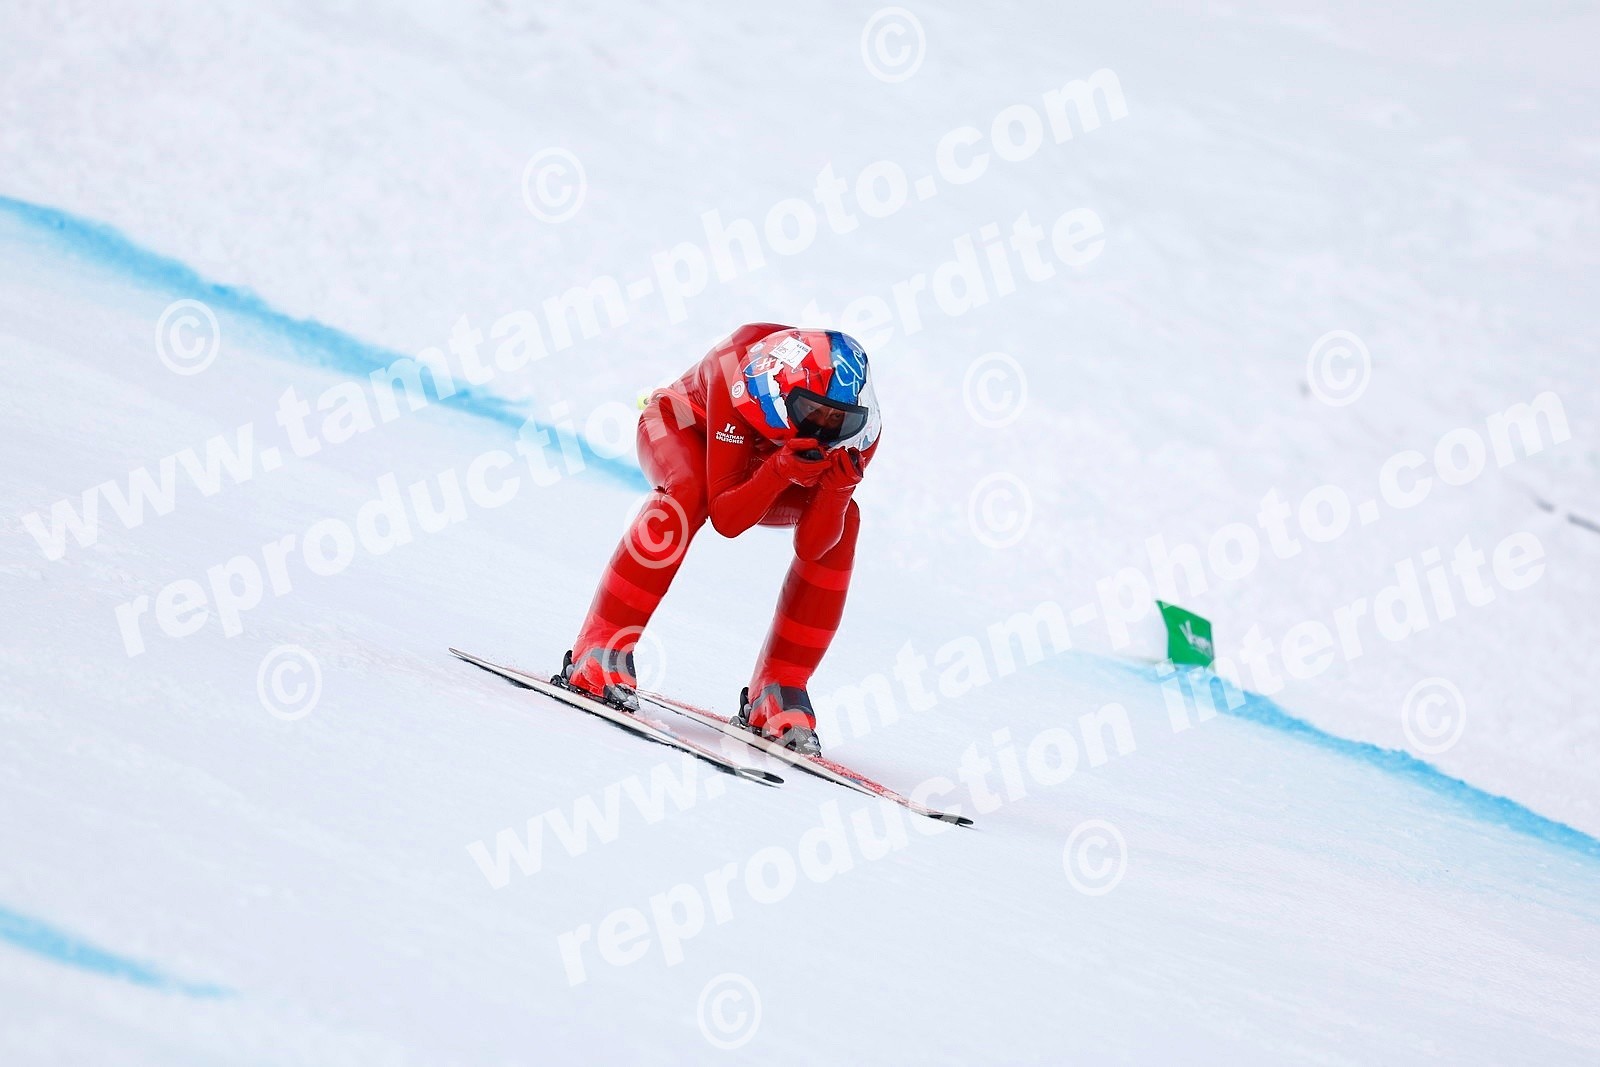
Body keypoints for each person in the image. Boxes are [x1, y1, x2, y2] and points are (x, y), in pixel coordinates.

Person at [558, 323, 881, 755]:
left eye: (837, 419)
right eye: (813, 412)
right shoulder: (734, 367)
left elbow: (813, 546)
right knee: (688, 492)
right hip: (684, 427)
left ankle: (781, 687)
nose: (824, 429)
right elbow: (726, 517)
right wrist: (779, 470)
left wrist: (836, 492)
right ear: (778, 391)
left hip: (770, 464)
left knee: (846, 519)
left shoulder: (858, 434)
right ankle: (599, 646)